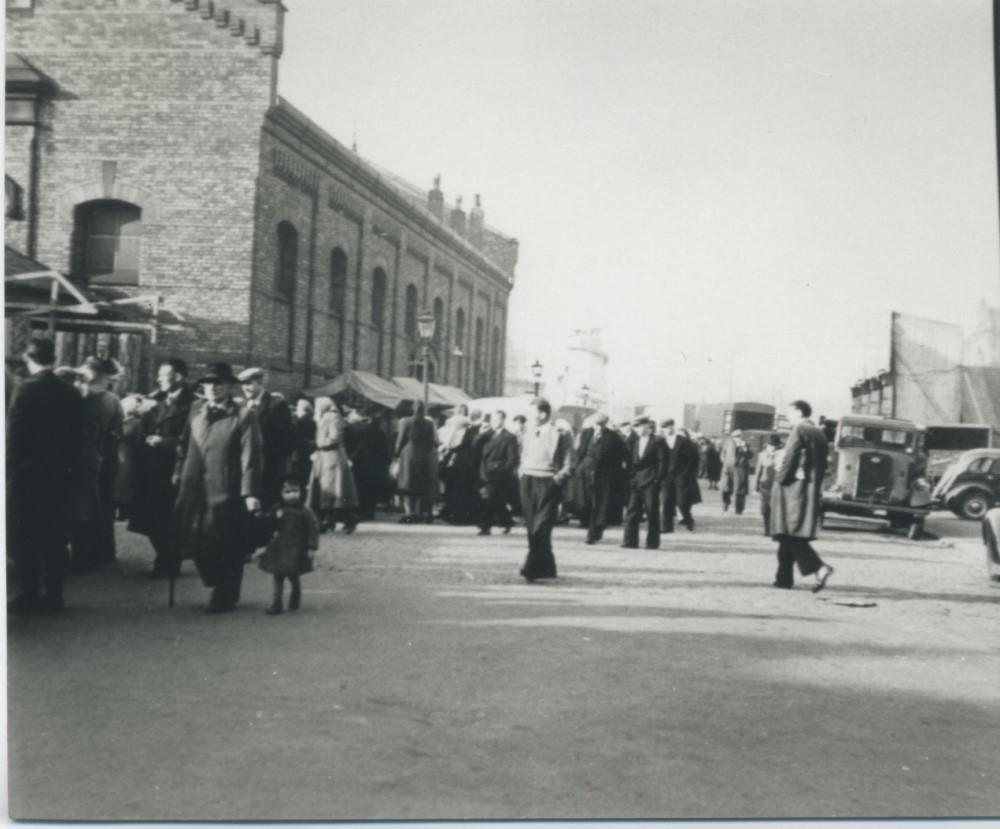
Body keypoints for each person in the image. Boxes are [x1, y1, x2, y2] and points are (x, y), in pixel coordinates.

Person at [173, 362, 262, 613]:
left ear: (229, 387)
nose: (212, 388)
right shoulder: (195, 409)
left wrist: (250, 493)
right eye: (208, 384)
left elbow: (251, 456)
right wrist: (178, 471)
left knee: (225, 542)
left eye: (218, 384)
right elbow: (183, 444)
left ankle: (225, 594)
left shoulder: (243, 415)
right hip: (194, 485)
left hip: (226, 486)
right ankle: (216, 582)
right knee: (198, 539)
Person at [7, 337, 85, 614]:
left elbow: (14, 436)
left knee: (24, 536)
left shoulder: (25, 390)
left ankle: (29, 595)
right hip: (61, 476)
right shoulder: (71, 392)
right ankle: (54, 596)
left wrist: (9, 470)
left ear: (29, 360)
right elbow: (80, 438)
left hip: (27, 476)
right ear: (52, 359)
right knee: (56, 536)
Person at [129, 358, 197, 579]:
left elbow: (195, 439)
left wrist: (166, 442)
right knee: (152, 518)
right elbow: (143, 430)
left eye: (163, 374)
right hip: (151, 467)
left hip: (174, 469)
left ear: (178, 377)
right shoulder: (156, 400)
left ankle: (169, 561)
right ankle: (165, 556)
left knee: (169, 518)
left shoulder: (193, 404)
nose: (158, 378)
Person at [771, 400, 834, 591]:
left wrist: (780, 479)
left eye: (789, 412)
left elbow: (791, 457)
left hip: (794, 489)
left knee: (790, 533)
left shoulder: (799, 430)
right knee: (787, 533)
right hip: (809, 488)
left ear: (798, 412)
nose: (788, 417)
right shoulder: (818, 432)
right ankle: (783, 579)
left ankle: (819, 567)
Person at [69, 356, 124, 573]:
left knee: (87, 506)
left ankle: (86, 555)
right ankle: (105, 551)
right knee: (103, 504)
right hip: (106, 456)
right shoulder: (113, 399)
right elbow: (117, 428)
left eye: (83, 377)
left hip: (86, 458)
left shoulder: (85, 399)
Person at [517, 398, 573, 581]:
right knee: (532, 526)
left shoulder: (560, 433)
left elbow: (569, 460)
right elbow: (523, 454)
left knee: (541, 527)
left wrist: (558, 478)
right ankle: (548, 568)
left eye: (531, 411)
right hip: (528, 480)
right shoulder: (528, 432)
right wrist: (521, 472)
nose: (528, 415)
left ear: (542, 413)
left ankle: (531, 567)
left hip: (548, 481)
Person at [257, 475, 320, 615]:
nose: (292, 495)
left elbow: (313, 529)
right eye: (288, 492)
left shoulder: (305, 511)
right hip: (279, 548)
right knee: (278, 575)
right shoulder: (277, 509)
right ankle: (277, 602)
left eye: (295, 491)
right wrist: (271, 517)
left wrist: (311, 547)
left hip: (296, 549)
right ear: (281, 493)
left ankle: (295, 597)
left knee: (293, 575)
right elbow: (267, 524)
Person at [238, 368, 295, 509]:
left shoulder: (275, 405)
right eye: (243, 384)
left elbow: (287, 439)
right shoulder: (242, 406)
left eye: (249, 383)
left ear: (260, 382)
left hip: (269, 467)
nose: (246, 388)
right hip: (245, 467)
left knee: (267, 506)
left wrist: (273, 458)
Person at [307, 397, 359, 533]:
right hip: (326, 457)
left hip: (331, 458)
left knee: (331, 490)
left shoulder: (332, 417)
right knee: (329, 490)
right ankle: (329, 521)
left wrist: (319, 443)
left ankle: (345, 519)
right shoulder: (330, 417)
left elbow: (334, 437)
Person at [582, 413, 628, 545]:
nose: (599, 427)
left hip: (605, 476)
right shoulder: (587, 434)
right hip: (588, 474)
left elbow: (623, 455)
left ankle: (594, 532)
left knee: (599, 505)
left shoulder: (613, 437)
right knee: (590, 504)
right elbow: (581, 452)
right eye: (597, 424)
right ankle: (595, 529)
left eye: (601, 425)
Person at [622, 416, 666, 549]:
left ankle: (652, 542)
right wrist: (631, 476)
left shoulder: (658, 441)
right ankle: (630, 541)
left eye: (639, 426)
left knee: (652, 512)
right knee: (632, 512)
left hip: (650, 481)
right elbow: (629, 459)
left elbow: (662, 462)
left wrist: (657, 479)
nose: (636, 429)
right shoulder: (634, 441)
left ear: (647, 426)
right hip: (636, 481)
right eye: (635, 427)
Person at [394, 400, 439, 523]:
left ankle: (409, 513)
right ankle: (418, 512)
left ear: (412, 409)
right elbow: (433, 442)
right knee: (420, 484)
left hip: (409, 454)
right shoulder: (429, 423)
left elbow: (400, 439)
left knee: (407, 483)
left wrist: (396, 454)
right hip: (424, 455)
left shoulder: (406, 421)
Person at [345, 406, 391, 521]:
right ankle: (369, 511)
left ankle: (362, 511)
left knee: (362, 488)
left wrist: (354, 456)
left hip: (364, 463)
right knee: (372, 490)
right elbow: (385, 450)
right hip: (376, 464)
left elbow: (361, 446)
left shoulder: (365, 431)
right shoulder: (380, 433)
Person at [477, 409, 519, 535]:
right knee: (496, 500)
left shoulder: (509, 437)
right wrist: (481, 433)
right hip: (484, 471)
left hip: (498, 473)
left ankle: (486, 527)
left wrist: (503, 471)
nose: (495, 422)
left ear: (503, 420)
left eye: (498, 419)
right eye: (493, 419)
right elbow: (474, 445)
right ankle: (507, 521)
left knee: (489, 499)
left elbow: (512, 458)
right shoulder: (488, 435)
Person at [756, 433, 784, 537]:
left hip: (777, 483)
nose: (771, 447)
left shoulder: (782, 454)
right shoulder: (763, 455)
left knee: (776, 507)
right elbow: (759, 470)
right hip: (765, 483)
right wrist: (756, 485)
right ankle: (767, 529)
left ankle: (775, 530)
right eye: (770, 445)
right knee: (765, 507)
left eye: (774, 446)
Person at [720, 429, 753, 513]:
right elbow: (722, 454)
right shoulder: (728, 443)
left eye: (740, 436)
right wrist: (725, 462)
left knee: (740, 489)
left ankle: (739, 508)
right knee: (726, 487)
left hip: (740, 468)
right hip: (728, 467)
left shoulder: (745, 444)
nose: (739, 438)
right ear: (733, 437)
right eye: (737, 437)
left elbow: (750, 455)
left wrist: (745, 448)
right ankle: (725, 503)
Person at [289, 397, 316, 488]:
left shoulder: (300, 421)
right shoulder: (313, 421)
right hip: (310, 452)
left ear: (302, 409)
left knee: (301, 476)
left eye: (298, 408)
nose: (297, 411)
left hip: (301, 453)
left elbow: (296, 438)